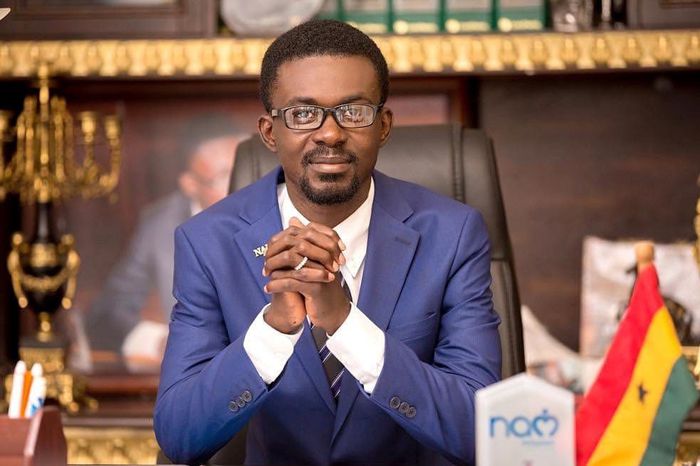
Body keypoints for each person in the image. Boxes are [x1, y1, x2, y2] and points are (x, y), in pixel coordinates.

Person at [155, 19, 501, 466]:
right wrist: (274, 328)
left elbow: (480, 431)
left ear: (383, 126)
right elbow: (180, 436)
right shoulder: (207, 242)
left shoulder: (452, 234)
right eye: (303, 114)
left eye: (353, 111)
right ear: (269, 132)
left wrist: (344, 324)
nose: (331, 133)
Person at [86, 133, 239, 362]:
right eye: (225, 175)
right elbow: (110, 309)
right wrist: (157, 342)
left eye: (247, 170)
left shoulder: (277, 205)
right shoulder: (160, 225)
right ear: (190, 184)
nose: (242, 186)